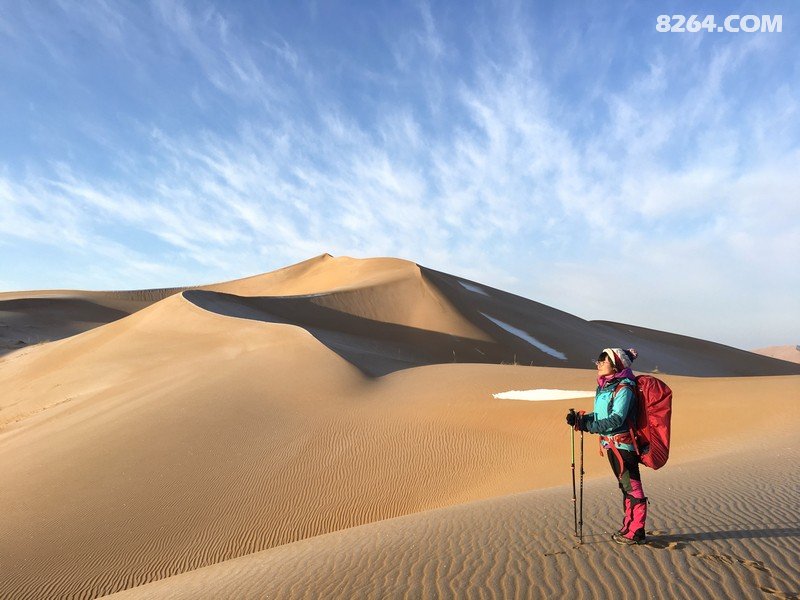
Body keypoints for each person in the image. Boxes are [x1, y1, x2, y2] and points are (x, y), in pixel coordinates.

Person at [566, 347, 647, 545]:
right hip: (611, 445)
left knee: (632, 487)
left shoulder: (624, 388)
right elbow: (601, 415)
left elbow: (617, 418)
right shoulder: (606, 387)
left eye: (604, 360)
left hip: (623, 446)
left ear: (615, 365)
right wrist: (580, 420)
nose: (599, 364)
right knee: (625, 486)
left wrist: (589, 425)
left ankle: (637, 531)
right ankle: (629, 526)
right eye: (599, 360)